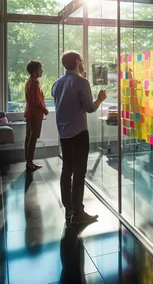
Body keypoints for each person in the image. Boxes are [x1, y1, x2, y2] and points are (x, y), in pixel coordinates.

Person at [52, 51, 107, 224]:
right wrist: (100, 99)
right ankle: (78, 213)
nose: (83, 63)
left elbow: (67, 100)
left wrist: (80, 80)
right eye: (81, 61)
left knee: (67, 170)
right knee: (79, 172)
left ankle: (69, 209)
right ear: (77, 62)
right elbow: (90, 108)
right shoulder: (82, 82)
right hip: (79, 133)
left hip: (64, 133)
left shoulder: (57, 83)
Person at [24, 60, 49, 172]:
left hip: (30, 113)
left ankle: (29, 161)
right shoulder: (34, 83)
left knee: (29, 137)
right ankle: (30, 162)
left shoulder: (29, 82)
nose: (41, 71)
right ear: (34, 71)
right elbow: (36, 101)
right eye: (40, 69)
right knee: (32, 138)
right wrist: (45, 110)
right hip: (35, 114)